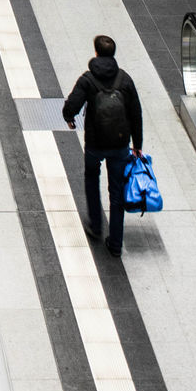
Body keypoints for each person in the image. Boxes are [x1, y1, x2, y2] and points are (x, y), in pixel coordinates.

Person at [62, 35, 143, 257]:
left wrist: (69, 118)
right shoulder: (125, 80)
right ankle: (115, 243)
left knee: (91, 178)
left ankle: (95, 226)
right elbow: (136, 113)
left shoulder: (88, 79)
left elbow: (72, 105)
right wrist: (137, 144)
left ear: (96, 53)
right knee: (116, 192)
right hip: (119, 144)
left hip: (95, 143)